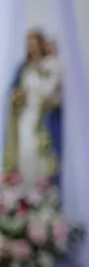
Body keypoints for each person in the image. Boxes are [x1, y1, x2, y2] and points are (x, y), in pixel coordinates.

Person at [3, 29, 63, 186]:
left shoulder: (49, 65)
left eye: (35, 44)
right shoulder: (24, 68)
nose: (32, 48)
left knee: (42, 153)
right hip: (26, 115)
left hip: (45, 118)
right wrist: (17, 95)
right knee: (25, 150)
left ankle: (43, 190)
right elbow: (13, 90)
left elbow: (54, 93)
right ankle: (27, 189)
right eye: (29, 45)